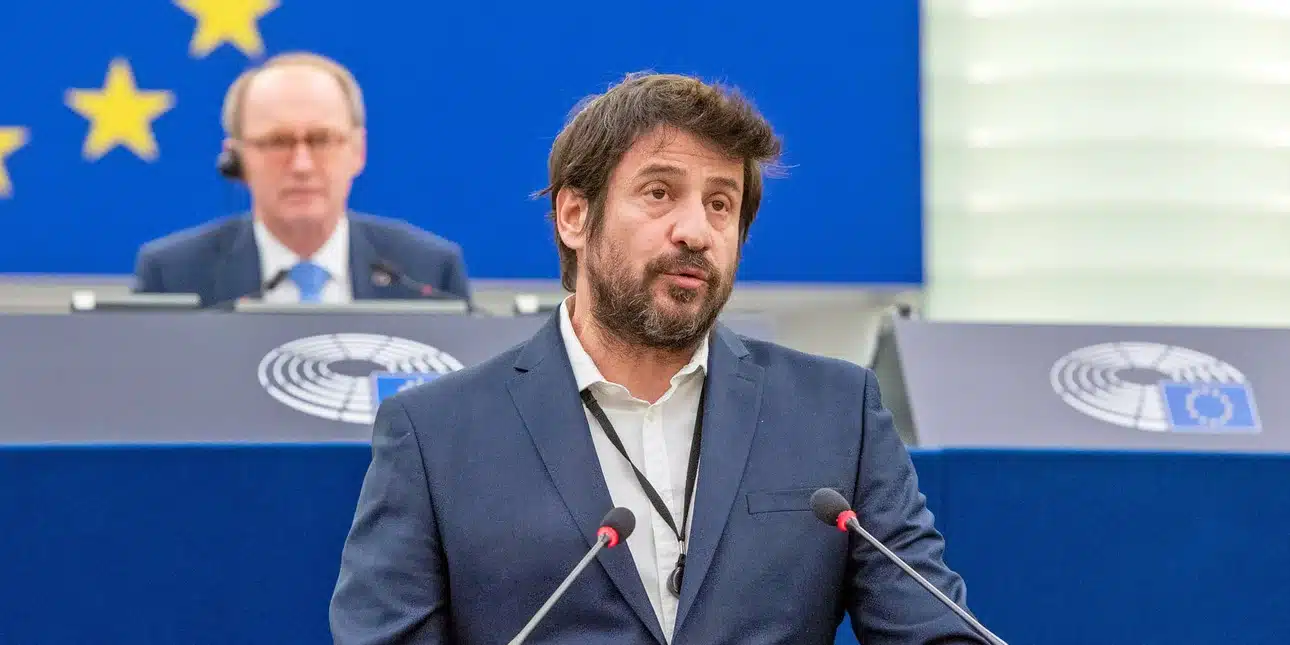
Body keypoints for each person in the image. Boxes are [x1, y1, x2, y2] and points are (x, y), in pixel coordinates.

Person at [329, 72, 988, 644]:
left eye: (720, 204)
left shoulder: (837, 414)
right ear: (574, 216)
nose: (696, 230)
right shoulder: (436, 435)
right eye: (658, 192)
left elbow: (934, 630)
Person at [132, 52, 471, 306]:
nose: (302, 165)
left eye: (322, 140)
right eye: (277, 142)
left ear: (358, 151)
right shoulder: (173, 275)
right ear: (236, 158)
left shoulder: (427, 273)